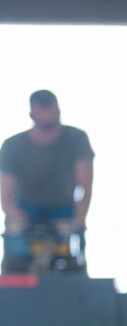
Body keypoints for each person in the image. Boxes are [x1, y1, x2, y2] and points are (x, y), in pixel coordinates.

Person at [1, 89, 94, 264]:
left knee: (72, 259)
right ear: (32, 114)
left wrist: (79, 219)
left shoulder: (77, 139)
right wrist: (21, 219)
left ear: (58, 111)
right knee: (16, 253)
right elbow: (6, 196)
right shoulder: (12, 146)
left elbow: (85, 186)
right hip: (26, 212)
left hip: (64, 211)